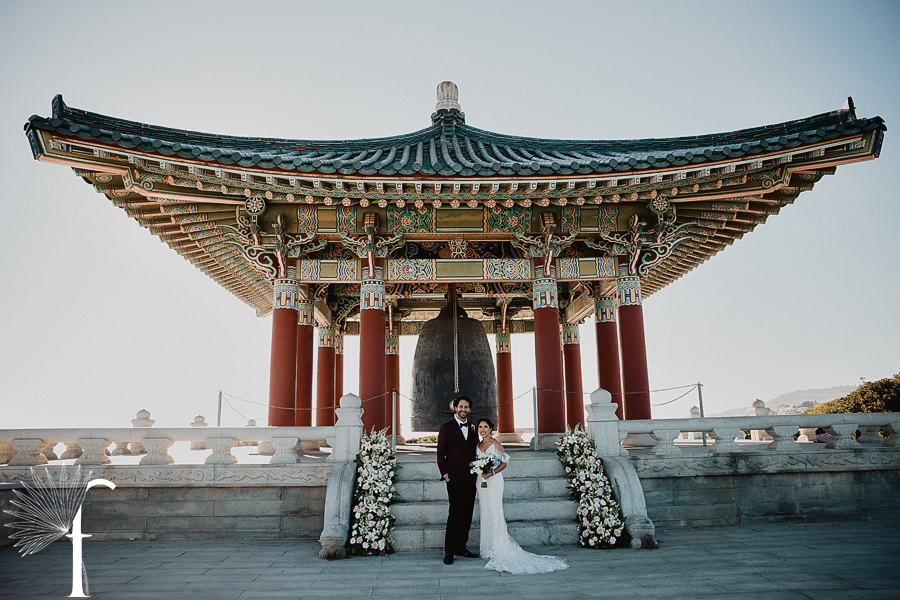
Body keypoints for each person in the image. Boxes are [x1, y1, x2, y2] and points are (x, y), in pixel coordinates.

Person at [475, 418, 568, 574]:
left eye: (485, 427)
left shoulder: (496, 444)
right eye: (480, 427)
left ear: (491, 429)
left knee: (495, 511)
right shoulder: (478, 446)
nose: (482, 429)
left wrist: (491, 473)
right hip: (481, 481)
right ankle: (487, 549)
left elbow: (504, 462)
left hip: (494, 480)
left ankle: (498, 547)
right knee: (485, 512)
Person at [436, 394, 479, 565]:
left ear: (470, 409)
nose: (464, 410)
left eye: (466, 407)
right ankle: (449, 551)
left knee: (467, 514)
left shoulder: (474, 428)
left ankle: (462, 547)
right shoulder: (446, 427)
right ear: (455, 407)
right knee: (455, 513)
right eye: (461, 406)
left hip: (470, 477)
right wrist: (446, 475)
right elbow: (440, 454)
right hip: (454, 478)